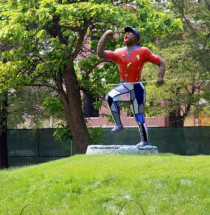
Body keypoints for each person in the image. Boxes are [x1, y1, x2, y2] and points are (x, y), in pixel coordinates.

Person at [97, 26, 165, 146]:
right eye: (126, 32)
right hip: (124, 86)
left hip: (137, 88)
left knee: (139, 117)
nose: (126, 34)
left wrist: (160, 77)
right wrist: (105, 36)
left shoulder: (143, 51)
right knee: (109, 97)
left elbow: (161, 62)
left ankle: (145, 141)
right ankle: (119, 124)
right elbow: (101, 54)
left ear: (137, 38)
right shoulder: (118, 52)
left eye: (130, 33)